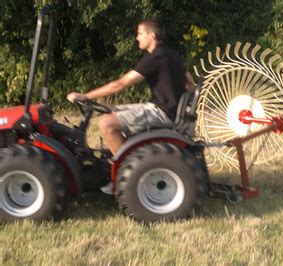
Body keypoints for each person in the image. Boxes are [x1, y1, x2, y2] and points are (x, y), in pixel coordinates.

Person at [67, 19, 194, 193]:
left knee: (107, 123)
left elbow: (120, 84)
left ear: (153, 36)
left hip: (162, 113)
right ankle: (128, 159)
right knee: (109, 111)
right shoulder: (171, 54)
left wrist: (85, 96)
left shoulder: (155, 57)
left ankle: (124, 175)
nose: (137, 38)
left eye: (140, 33)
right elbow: (190, 83)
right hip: (165, 109)